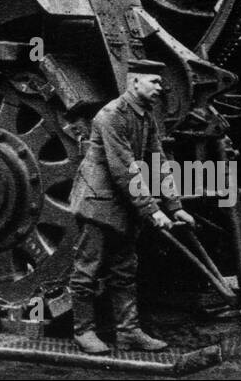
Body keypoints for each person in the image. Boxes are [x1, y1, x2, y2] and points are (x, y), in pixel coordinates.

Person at [69, 58, 195, 353]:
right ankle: (83, 332)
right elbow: (125, 169)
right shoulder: (111, 115)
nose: (160, 87)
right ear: (134, 81)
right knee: (87, 270)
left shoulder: (145, 116)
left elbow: (158, 162)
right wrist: (153, 211)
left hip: (123, 204)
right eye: (154, 81)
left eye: (160, 82)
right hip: (97, 202)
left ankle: (128, 333)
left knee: (125, 269)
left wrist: (175, 205)